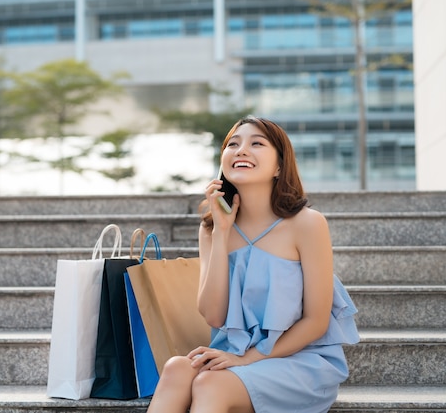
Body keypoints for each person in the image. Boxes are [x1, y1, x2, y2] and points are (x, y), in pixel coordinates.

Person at [146, 116, 360, 413]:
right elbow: (214, 315)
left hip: (300, 361)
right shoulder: (211, 228)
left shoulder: (307, 224)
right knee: (177, 369)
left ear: (279, 167)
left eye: (256, 143)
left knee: (210, 383)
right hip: (234, 353)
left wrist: (247, 359)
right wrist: (221, 233)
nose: (241, 150)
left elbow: (316, 321)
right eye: (233, 144)